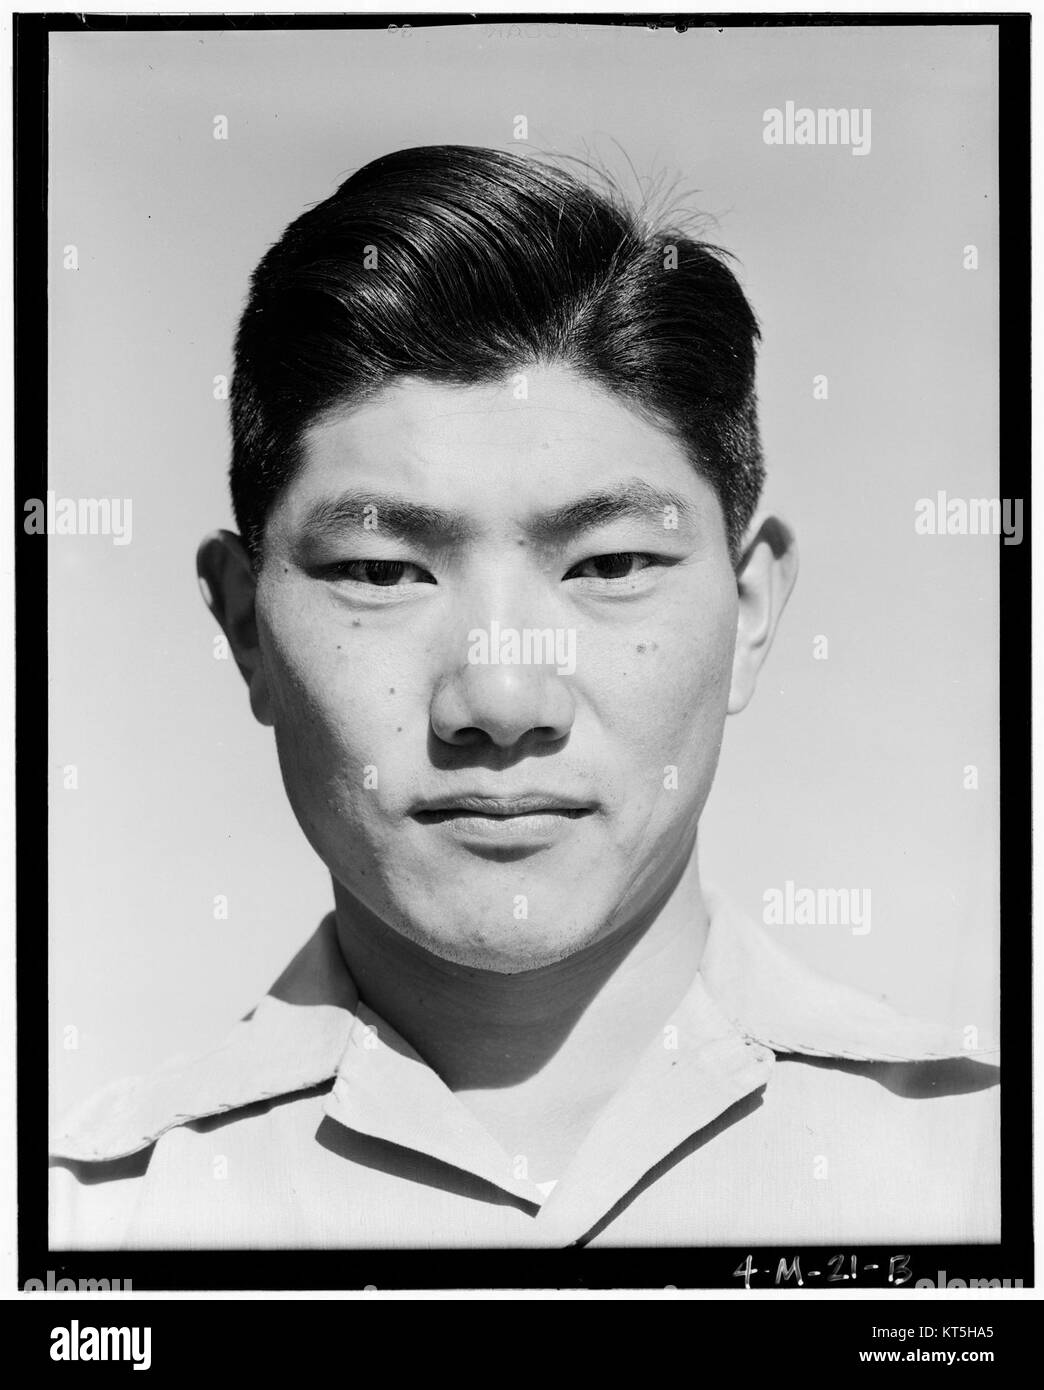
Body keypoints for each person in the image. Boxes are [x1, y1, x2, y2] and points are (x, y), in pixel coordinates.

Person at [50, 145, 999, 1251]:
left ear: (749, 613)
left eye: (608, 564)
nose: (500, 697)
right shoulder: (82, 1228)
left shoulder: (985, 1167)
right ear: (245, 623)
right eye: (381, 572)